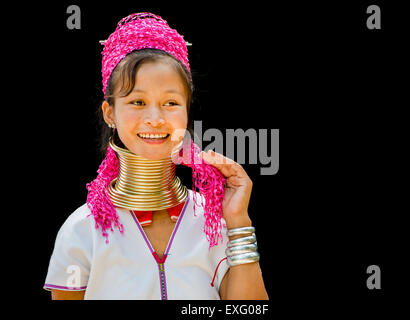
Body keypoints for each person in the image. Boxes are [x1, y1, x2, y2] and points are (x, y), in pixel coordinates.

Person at [43, 12, 268, 300]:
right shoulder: (83, 230)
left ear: (186, 113)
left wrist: (238, 222)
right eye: (137, 101)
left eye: (171, 103)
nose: (155, 118)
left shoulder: (214, 221)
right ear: (110, 113)